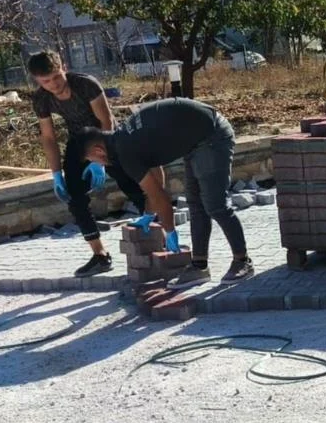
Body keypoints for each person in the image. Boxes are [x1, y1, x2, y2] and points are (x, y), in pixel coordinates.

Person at [72, 97, 254, 287]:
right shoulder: (123, 137)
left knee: (215, 205)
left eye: (93, 159)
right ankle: (199, 267)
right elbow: (157, 178)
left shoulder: (126, 152)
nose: (98, 164)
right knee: (196, 204)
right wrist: (150, 214)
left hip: (211, 135)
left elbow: (161, 198)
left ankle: (243, 261)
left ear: (99, 150)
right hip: (196, 139)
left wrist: (169, 231)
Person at [29, 49, 147, 278]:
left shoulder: (85, 84)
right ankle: (100, 255)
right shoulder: (41, 98)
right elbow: (49, 137)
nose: (53, 84)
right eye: (46, 81)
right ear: (37, 80)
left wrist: (100, 161)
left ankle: (157, 237)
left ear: (63, 66)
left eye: (56, 76)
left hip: (110, 137)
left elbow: (106, 120)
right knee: (74, 196)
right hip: (79, 142)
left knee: (132, 185)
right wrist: (56, 174)